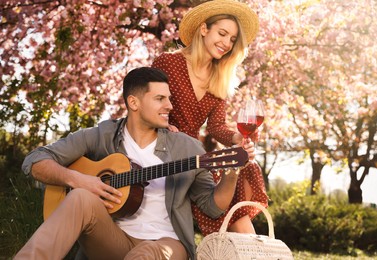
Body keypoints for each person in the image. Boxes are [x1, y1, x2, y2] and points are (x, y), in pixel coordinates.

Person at [15, 67, 254, 260]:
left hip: (166, 245)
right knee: (79, 196)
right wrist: (78, 180)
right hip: (112, 239)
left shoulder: (188, 147)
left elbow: (213, 207)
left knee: (145, 255)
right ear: (134, 102)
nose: (170, 106)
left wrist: (232, 172)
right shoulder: (104, 135)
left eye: (169, 98)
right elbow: (35, 161)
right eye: (160, 98)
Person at [152, 0, 268, 236]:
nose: (226, 43)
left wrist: (237, 137)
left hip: (194, 154)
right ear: (204, 29)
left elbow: (215, 128)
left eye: (232, 39)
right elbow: (148, 103)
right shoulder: (168, 62)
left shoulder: (219, 78)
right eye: (222, 33)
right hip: (161, 146)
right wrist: (163, 123)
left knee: (242, 162)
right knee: (228, 186)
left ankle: (250, 250)